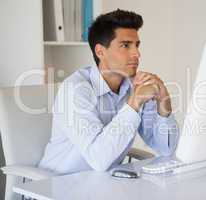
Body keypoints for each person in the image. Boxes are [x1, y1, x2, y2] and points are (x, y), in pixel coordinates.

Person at [39, 9, 179, 174]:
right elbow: (99, 159)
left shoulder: (133, 87)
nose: (137, 54)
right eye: (125, 45)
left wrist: (164, 104)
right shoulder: (76, 90)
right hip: (57, 187)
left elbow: (166, 148)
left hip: (102, 184)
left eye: (137, 45)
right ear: (100, 52)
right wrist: (133, 103)